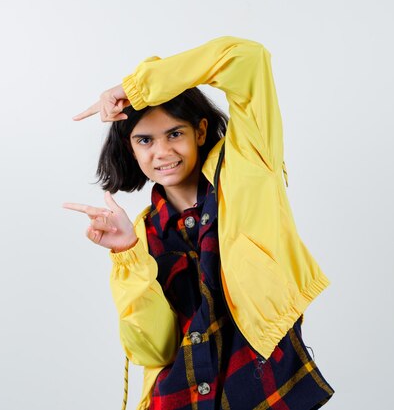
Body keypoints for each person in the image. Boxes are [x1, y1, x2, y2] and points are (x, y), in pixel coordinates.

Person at [64, 36, 334, 410]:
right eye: (145, 140)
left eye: (175, 133)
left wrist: (137, 88)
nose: (162, 152)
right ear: (131, 149)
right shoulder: (142, 232)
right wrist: (127, 251)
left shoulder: (248, 165)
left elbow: (248, 59)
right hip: (178, 398)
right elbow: (153, 348)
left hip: (262, 386)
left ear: (201, 132)